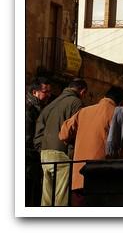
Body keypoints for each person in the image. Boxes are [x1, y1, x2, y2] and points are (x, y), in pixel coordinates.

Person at [59, 85, 123, 206]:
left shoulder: (84, 111)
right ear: (121, 102)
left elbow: (63, 134)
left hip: (79, 175)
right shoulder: (117, 113)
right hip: (102, 176)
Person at [34, 77, 87, 206]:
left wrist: (41, 149)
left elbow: (39, 130)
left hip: (45, 154)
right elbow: (75, 132)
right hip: (61, 154)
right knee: (61, 199)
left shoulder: (51, 104)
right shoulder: (76, 103)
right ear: (82, 91)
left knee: (46, 199)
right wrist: (71, 154)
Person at [25, 77, 52, 206]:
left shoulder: (38, 107)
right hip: (28, 158)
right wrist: (37, 153)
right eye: (45, 92)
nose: (49, 95)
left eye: (49, 92)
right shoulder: (29, 108)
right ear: (35, 92)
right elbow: (28, 137)